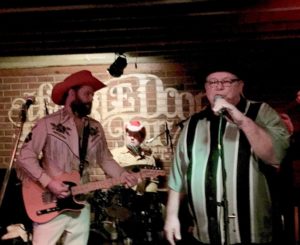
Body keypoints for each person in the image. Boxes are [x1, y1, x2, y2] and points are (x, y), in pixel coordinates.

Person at [164, 68, 291, 245]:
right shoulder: (193, 123)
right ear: (206, 89)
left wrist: (241, 119)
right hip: (205, 233)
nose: (219, 87)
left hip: (252, 232)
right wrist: (171, 216)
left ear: (240, 86)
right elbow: (178, 175)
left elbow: (274, 156)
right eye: (213, 82)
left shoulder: (261, 112)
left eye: (226, 81)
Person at [15, 70, 138, 245]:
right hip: (49, 201)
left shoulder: (95, 128)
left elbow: (105, 159)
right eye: (87, 93)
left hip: (80, 201)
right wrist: (49, 182)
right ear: (72, 93)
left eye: (93, 95)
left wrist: (122, 174)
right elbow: (25, 157)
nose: (91, 99)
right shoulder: (47, 124)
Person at [111, 120, 158, 193]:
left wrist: (147, 193)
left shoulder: (149, 159)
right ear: (125, 136)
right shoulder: (115, 155)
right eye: (129, 135)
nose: (132, 138)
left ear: (141, 138)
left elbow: (153, 181)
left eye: (136, 135)